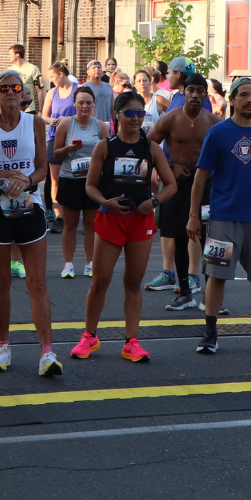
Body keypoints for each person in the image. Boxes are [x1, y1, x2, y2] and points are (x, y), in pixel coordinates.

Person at [0, 69, 62, 376]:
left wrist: (25, 182)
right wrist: (1, 176)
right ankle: (3, 347)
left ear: (23, 94)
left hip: (30, 205)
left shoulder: (34, 122)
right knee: (1, 281)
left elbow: (41, 170)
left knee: (37, 281)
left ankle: (47, 353)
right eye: (3, 88)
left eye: (15, 87)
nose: (10, 92)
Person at [187, 77, 251, 355]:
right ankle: (210, 334)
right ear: (231, 100)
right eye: (243, 94)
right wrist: (193, 216)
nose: (250, 99)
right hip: (223, 218)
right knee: (216, 276)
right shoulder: (218, 133)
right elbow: (201, 175)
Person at [71, 91, 176, 363]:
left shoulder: (151, 148)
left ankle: (131, 341)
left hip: (140, 222)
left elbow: (171, 185)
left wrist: (152, 202)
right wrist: (106, 201)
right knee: (100, 281)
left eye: (141, 113)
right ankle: (90, 336)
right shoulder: (105, 147)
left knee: (133, 282)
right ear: (117, 115)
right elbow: (90, 186)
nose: (136, 118)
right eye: (130, 113)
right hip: (110, 219)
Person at [149, 74, 216, 310]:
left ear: (206, 94)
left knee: (210, 238)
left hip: (206, 185)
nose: (195, 95)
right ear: (183, 92)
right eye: (191, 90)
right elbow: (148, 146)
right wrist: (168, 166)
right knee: (178, 237)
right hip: (177, 184)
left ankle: (210, 296)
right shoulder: (170, 119)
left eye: (200, 91)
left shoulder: (213, 122)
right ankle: (185, 293)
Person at [52, 85, 108, 277]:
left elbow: (109, 154)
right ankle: (68, 263)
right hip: (70, 179)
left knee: (91, 225)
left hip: (92, 181)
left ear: (94, 105)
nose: (85, 106)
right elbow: (56, 152)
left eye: (88, 103)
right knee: (70, 224)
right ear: (74, 104)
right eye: (81, 102)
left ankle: (90, 263)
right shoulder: (66, 124)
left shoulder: (100, 126)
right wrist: (68, 149)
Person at [41, 61, 76, 229]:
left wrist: (69, 121)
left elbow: (88, 112)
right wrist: (53, 121)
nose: (52, 80)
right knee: (55, 178)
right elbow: (44, 116)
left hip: (74, 136)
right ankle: (58, 216)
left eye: (53, 76)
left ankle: (73, 212)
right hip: (55, 136)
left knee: (75, 176)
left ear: (61, 74)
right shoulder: (52, 92)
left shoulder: (78, 90)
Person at [8, 44, 43, 112]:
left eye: (10, 54)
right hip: (14, 109)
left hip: (28, 109)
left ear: (17, 55)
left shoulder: (32, 68)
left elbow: (40, 90)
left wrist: (41, 110)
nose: (8, 56)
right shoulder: (9, 70)